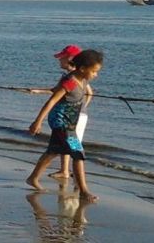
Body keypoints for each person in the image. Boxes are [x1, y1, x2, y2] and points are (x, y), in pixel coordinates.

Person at [26, 49, 103, 203]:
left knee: (53, 151)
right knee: (78, 153)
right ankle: (84, 191)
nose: (96, 75)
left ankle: (32, 178)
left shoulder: (83, 80)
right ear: (82, 69)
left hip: (69, 123)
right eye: (94, 71)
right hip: (61, 123)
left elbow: (87, 93)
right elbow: (53, 100)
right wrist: (38, 121)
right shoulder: (70, 82)